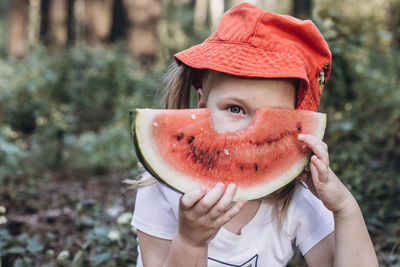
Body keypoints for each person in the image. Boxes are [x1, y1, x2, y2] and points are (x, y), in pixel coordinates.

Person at [130, 3, 378, 266]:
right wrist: (191, 241)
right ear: (202, 105)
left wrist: (344, 208)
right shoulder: (160, 189)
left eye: (272, 121)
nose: (247, 132)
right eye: (234, 108)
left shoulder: (296, 200)